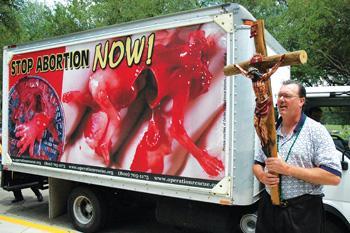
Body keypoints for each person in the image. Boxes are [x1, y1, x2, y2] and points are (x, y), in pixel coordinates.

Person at [253, 80, 341, 233]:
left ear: (301, 101)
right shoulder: (269, 129)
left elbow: (333, 176)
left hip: (303, 212)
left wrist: (287, 169)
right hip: (269, 208)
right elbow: (257, 163)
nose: (281, 100)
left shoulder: (316, 131)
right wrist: (262, 176)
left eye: (287, 96)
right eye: (279, 96)